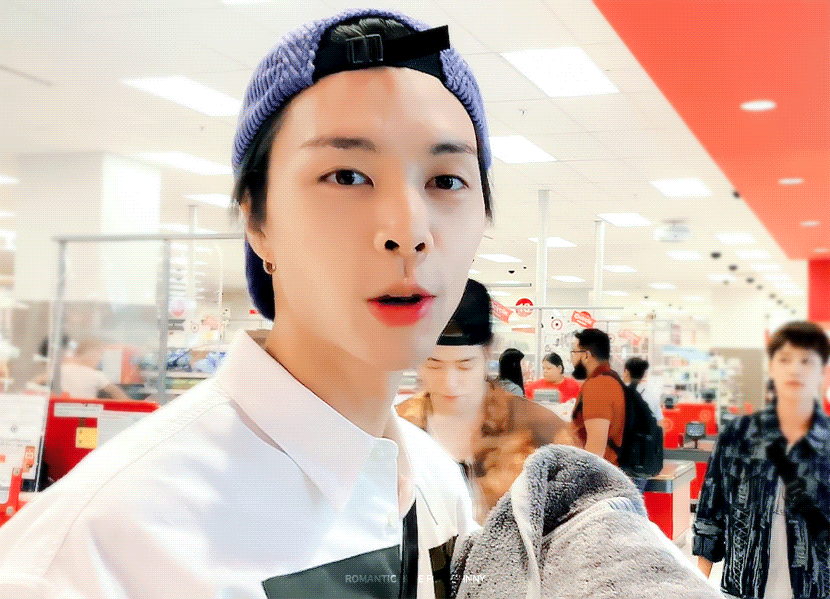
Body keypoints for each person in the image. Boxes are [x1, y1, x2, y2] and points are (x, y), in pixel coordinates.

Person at [0, 10, 492, 598]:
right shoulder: (101, 553)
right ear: (257, 222)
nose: (409, 232)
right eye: (347, 175)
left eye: (447, 180)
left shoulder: (433, 487)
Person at [397, 280, 576, 521]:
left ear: (489, 351)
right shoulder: (395, 430)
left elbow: (582, 520)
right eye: (433, 364)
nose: (449, 383)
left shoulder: (540, 429)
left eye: (465, 365)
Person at [693, 321, 830, 599]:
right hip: (745, 587)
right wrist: (696, 589)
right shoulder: (738, 435)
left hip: (816, 589)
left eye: (806, 360)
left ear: (823, 371)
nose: (795, 369)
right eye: (785, 359)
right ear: (772, 367)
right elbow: (711, 514)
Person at [569, 328, 626, 468]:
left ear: (586, 356)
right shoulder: (610, 379)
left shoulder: (598, 386)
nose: (571, 358)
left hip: (602, 474)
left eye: (574, 352)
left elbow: (595, 450)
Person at [29, 336, 130, 400]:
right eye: (99, 355)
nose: (98, 360)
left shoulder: (62, 369)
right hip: (86, 413)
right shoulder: (95, 375)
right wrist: (131, 404)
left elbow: (36, 381)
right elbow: (116, 392)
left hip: (65, 411)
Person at [623, 356, 665, 429]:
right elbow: (660, 423)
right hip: (646, 435)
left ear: (626, 372)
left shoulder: (621, 392)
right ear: (643, 374)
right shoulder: (652, 394)